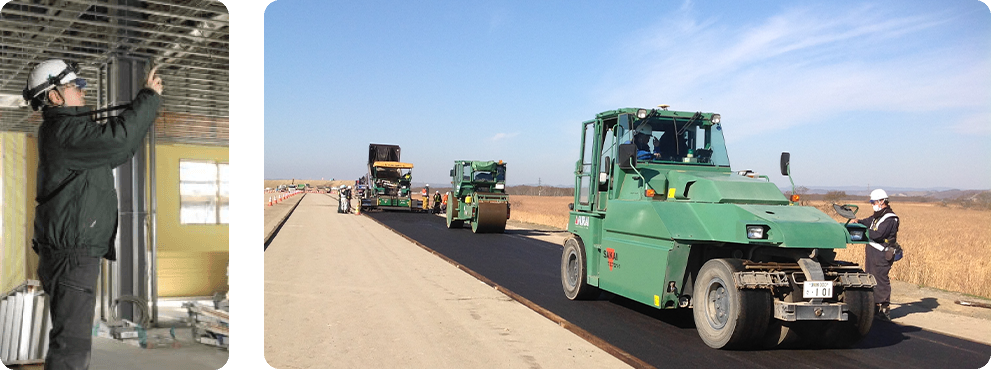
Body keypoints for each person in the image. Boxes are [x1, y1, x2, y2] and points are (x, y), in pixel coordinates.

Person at [25, 59, 162, 370]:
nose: (82, 90)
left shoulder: (67, 132)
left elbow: (119, 149)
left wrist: (140, 111)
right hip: (71, 255)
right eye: (75, 86)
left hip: (70, 251)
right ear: (55, 96)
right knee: (71, 350)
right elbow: (118, 141)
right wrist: (148, 98)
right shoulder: (65, 132)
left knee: (70, 343)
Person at [851, 189, 900, 321]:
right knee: (871, 277)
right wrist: (858, 222)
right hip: (873, 252)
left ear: (882, 201)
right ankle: (874, 307)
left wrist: (862, 231)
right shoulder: (878, 216)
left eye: (873, 202)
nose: (872, 204)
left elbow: (879, 235)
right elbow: (868, 222)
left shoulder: (890, 218)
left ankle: (884, 308)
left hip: (882, 253)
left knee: (881, 279)